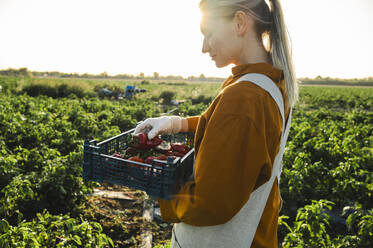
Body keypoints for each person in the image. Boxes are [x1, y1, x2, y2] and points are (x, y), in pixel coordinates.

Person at [134, 0, 298, 247]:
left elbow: (209, 204)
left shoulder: (244, 98)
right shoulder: (268, 84)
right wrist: (176, 124)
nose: (203, 47)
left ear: (240, 22)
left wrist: (163, 194)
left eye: (208, 33)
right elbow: (226, 129)